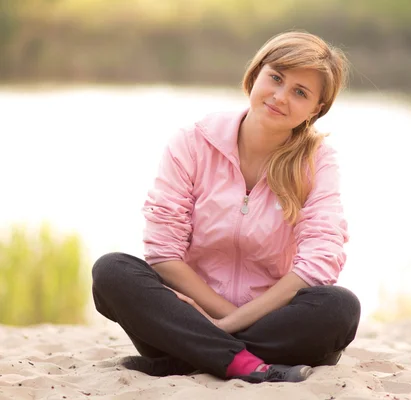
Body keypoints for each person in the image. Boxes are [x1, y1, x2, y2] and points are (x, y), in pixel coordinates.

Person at [91, 31, 361, 384]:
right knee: (111, 271)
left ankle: (186, 359)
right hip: (190, 314)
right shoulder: (192, 143)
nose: (280, 96)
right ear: (256, 73)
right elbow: (163, 251)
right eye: (276, 78)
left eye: (300, 92)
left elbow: (318, 262)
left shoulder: (318, 163)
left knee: (339, 307)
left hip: (266, 324)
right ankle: (243, 361)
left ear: (316, 109)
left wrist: (229, 325)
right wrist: (215, 317)